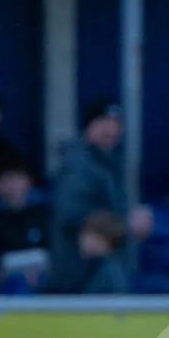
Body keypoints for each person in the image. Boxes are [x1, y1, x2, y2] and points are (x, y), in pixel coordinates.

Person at [48, 99, 151, 295]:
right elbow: (71, 214)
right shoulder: (78, 166)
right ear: (88, 126)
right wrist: (124, 224)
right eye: (103, 122)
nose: (110, 130)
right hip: (81, 273)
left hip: (101, 268)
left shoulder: (107, 164)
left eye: (116, 124)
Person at [0, 164, 51, 294]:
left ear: (28, 181)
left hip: (42, 278)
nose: (12, 186)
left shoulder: (46, 211)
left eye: (16, 179)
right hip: (4, 284)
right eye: (5, 181)